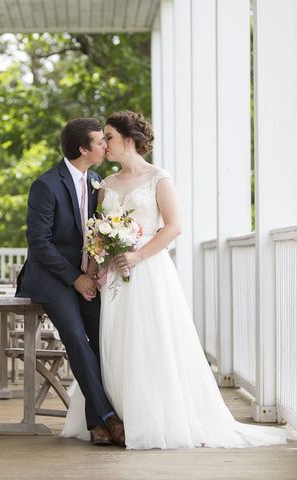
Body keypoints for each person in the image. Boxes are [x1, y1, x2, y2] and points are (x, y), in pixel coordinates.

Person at [62, 110, 293, 449]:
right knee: (115, 345)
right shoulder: (105, 184)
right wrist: (93, 274)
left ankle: (154, 418)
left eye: (109, 137)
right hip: (114, 279)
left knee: (150, 342)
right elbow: (97, 235)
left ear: (128, 141)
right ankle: (117, 419)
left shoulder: (159, 178)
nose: (104, 143)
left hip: (148, 272)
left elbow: (173, 226)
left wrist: (139, 255)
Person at [16, 118, 125, 446]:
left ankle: (95, 422)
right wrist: (75, 278)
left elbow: (96, 234)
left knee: (100, 335)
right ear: (83, 149)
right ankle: (106, 418)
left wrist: (90, 275)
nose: (106, 146)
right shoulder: (46, 185)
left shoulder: (96, 180)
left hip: (84, 277)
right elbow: (39, 244)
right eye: (100, 141)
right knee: (76, 338)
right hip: (51, 278)